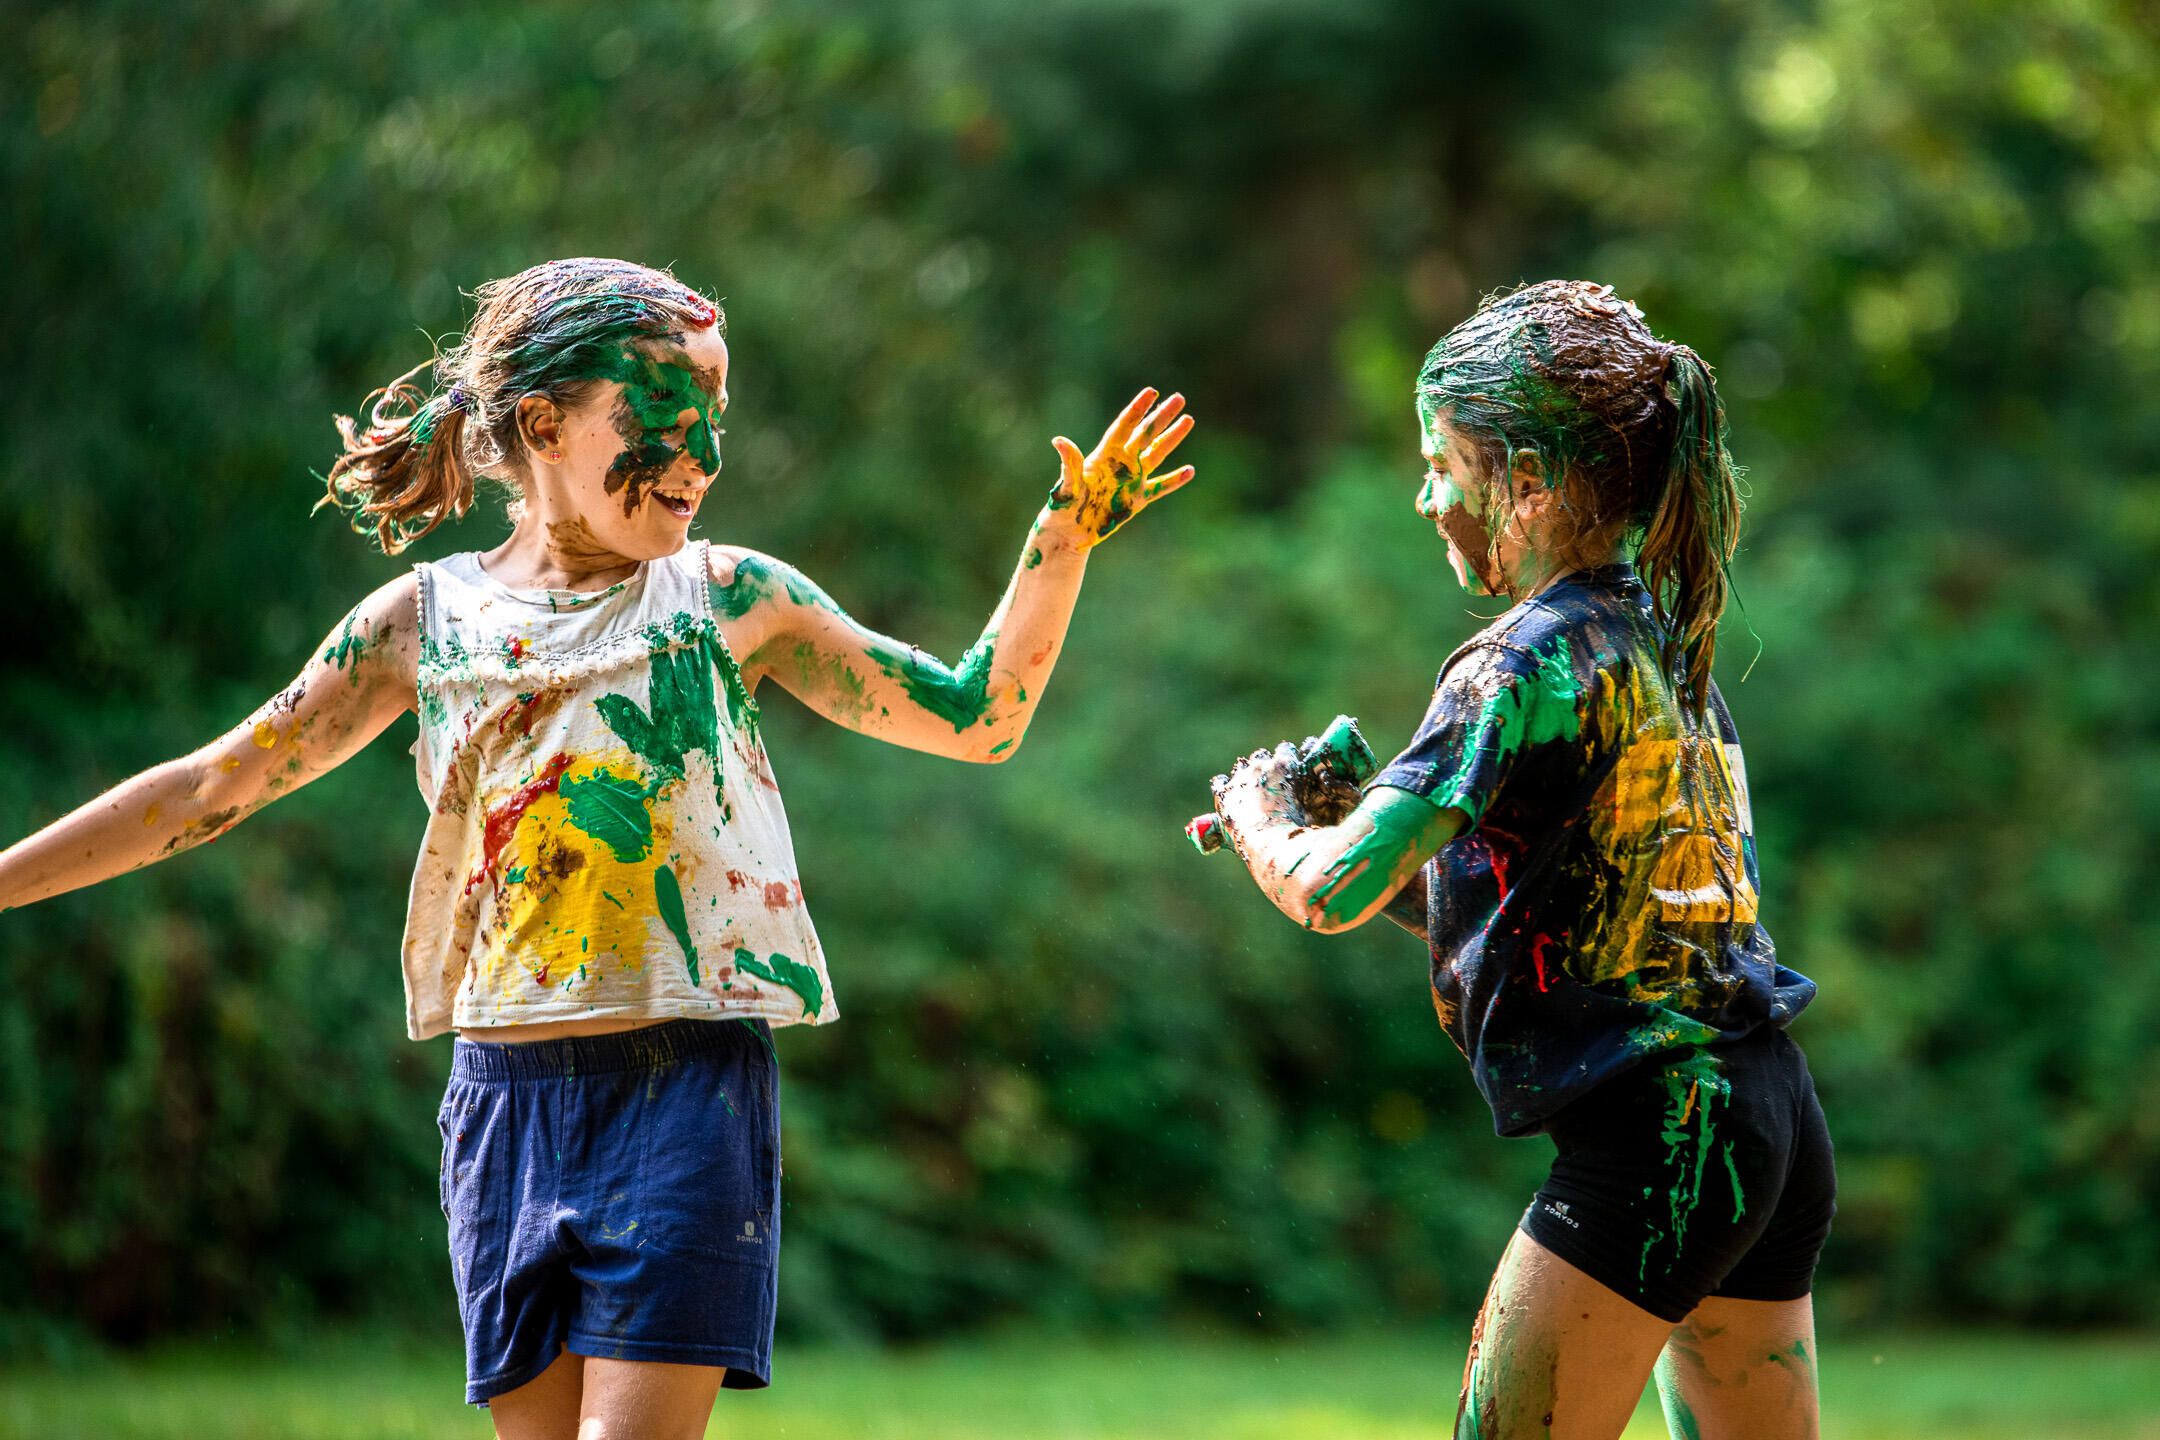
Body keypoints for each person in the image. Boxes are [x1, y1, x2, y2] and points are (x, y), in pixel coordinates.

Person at [0, 257, 1194, 1438]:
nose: (705, 462)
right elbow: (213, 783)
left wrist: (1064, 540)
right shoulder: (420, 625)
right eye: (668, 422)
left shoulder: (731, 599)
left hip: (685, 1095)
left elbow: (979, 718)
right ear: (542, 425)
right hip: (502, 1101)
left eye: (716, 422)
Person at [1206, 280, 1830, 1440]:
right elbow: (1559, 910)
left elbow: (1329, 890)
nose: (1425, 496)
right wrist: (1379, 822)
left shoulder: (1519, 663)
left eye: (1442, 462)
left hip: (1660, 1134)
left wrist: (1262, 812)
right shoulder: (1655, 632)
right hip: (1769, 1114)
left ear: (1530, 480)